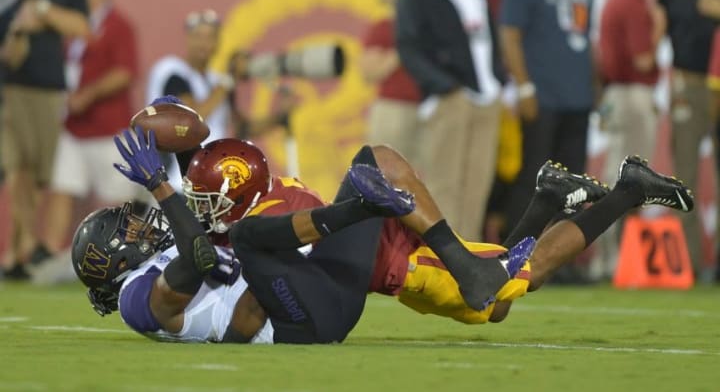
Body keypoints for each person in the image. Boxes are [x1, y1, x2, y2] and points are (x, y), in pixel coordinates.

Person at [71, 124, 693, 343]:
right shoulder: (138, 297)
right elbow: (199, 249)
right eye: (127, 226)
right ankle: (567, 198)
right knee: (497, 298)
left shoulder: (242, 214)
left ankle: (624, 192)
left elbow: (210, 234)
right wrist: (166, 188)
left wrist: (174, 173)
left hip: (337, 272)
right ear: (115, 257)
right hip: (318, 285)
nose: (142, 223)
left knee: (504, 291)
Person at [31, 0, 138, 272]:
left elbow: (124, 73)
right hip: (74, 126)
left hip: (108, 128)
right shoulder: (72, 23)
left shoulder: (118, 25)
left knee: (119, 199)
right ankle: (50, 254)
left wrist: (88, 95)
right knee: (62, 189)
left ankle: (124, 260)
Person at [394, 0, 505, 240]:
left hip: (487, 96)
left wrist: (499, 79)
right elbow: (408, 47)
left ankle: (469, 255)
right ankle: (441, 258)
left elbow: (489, 38)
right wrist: (443, 87)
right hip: (451, 97)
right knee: (444, 184)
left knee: (478, 186)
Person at [145, 10, 291, 190]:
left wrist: (280, 116)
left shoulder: (217, 82)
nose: (204, 43)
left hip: (213, 181)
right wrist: (230, 78)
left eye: (210, 37)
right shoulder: (172, 72)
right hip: (177, 181)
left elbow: (241, 128)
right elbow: (190, 119)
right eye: (198, 36)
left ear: (218, 42)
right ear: (188, 38)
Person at [0, 0, 89, 279]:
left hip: (48, 92)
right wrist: (17, 31)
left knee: (37, 176)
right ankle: (24, 246)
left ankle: (17, 254)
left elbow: (81, 27)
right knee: (16, 166)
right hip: (11, 90)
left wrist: (42, 11)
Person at [499, 0, 595, 250]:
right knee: (534, 179)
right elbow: (509, 33)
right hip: (541, 97)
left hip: (578, 97)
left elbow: (587, 40)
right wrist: (524, 87)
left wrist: (594, 88)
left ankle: (563, 259)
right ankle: (515, 253)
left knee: (576, 188)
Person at [594, 0, 666, 278]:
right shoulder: (633, 4)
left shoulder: (615, 0)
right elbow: (643, 60)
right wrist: (659, 28)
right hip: (632, 96)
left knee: (615, 176)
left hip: (617, 95)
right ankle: (613, 261)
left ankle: (609, 258)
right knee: (627, 182)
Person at [660, 0, 720, 282]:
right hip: (689, 85)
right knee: (684, 179)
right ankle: (687, 263)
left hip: (716, 83)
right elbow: (656, 33)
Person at [359, 0, 421, 163]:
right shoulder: (384, 28)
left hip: (429, 110)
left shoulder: (431, 29)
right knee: (384, 175)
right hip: (394, 109)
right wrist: (404, 47)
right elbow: (369, 72)